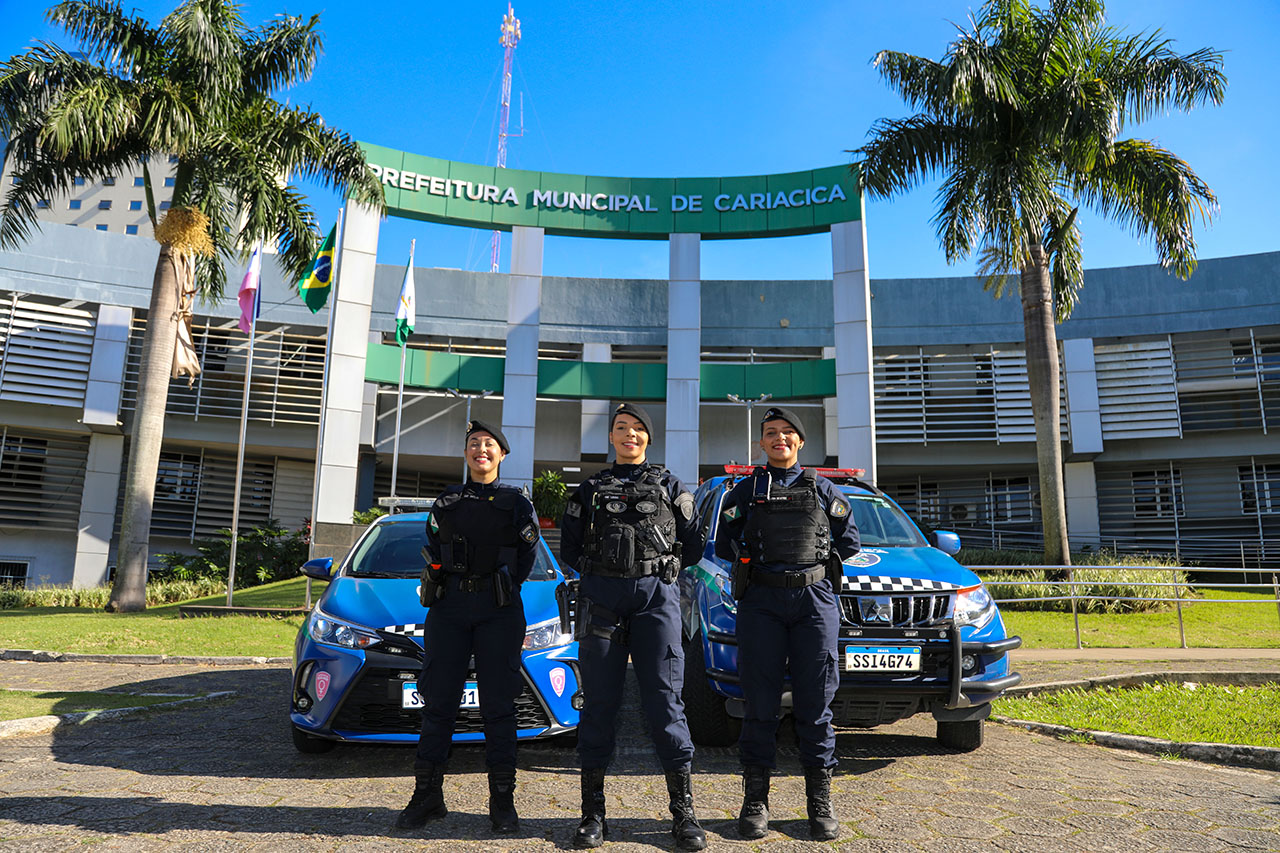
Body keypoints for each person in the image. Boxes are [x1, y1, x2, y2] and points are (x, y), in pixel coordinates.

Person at [559, 403, 707, 851]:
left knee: (666, 701)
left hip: (655, 599)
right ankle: (592, 815)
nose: (630, 435)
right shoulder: (588, 489)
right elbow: (568, 547)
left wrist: (662, 566)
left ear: (649, 437)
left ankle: (683, 814)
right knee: (600, 702)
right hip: (602, 599)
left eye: (638, 429)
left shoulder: (670, 485)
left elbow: (694, 543)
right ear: (611, 438)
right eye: (621, 428)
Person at [714, 406, 860, 841]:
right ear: (761, 443)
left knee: (816, 705)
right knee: (760, 703)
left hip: (814, 602)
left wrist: (813, 568)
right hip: (762, 602)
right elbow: (725, 542)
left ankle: (819, 802)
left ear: (800, 442)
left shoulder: (826, 489)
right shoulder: (743, 492)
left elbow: (848, 542)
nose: (780, 439)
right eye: (771, 433)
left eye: (787, 433)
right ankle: (755, 801)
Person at [396, 419, 540, 835]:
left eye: (489, 444)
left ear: (502, 455)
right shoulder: (446, 502)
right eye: (474, 443)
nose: (481, 449)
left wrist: (502, 585)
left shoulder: (517, 504)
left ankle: (502, 803)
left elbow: (526, 558)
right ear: (466, 454)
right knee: (438, 702)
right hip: (450, 608)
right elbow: (434, 548)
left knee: (499, 707)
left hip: (499, 609)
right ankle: (427, 797)